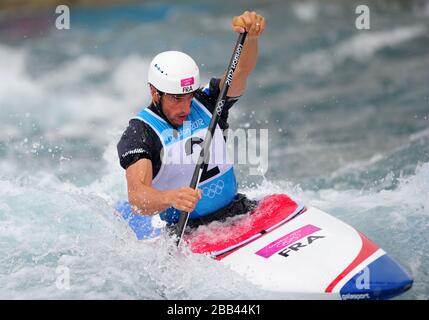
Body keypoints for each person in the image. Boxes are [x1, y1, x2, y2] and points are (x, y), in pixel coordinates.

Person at [117, 11, 265, 231]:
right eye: (176, 99)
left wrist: (251, 37)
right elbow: (138, 198)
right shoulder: (141, 133)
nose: (186, 108)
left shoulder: (206, 101)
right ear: (154, 92)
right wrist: (170, 197)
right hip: (189, 231)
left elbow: (241, 70)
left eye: (189, 96)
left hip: (237, 211)